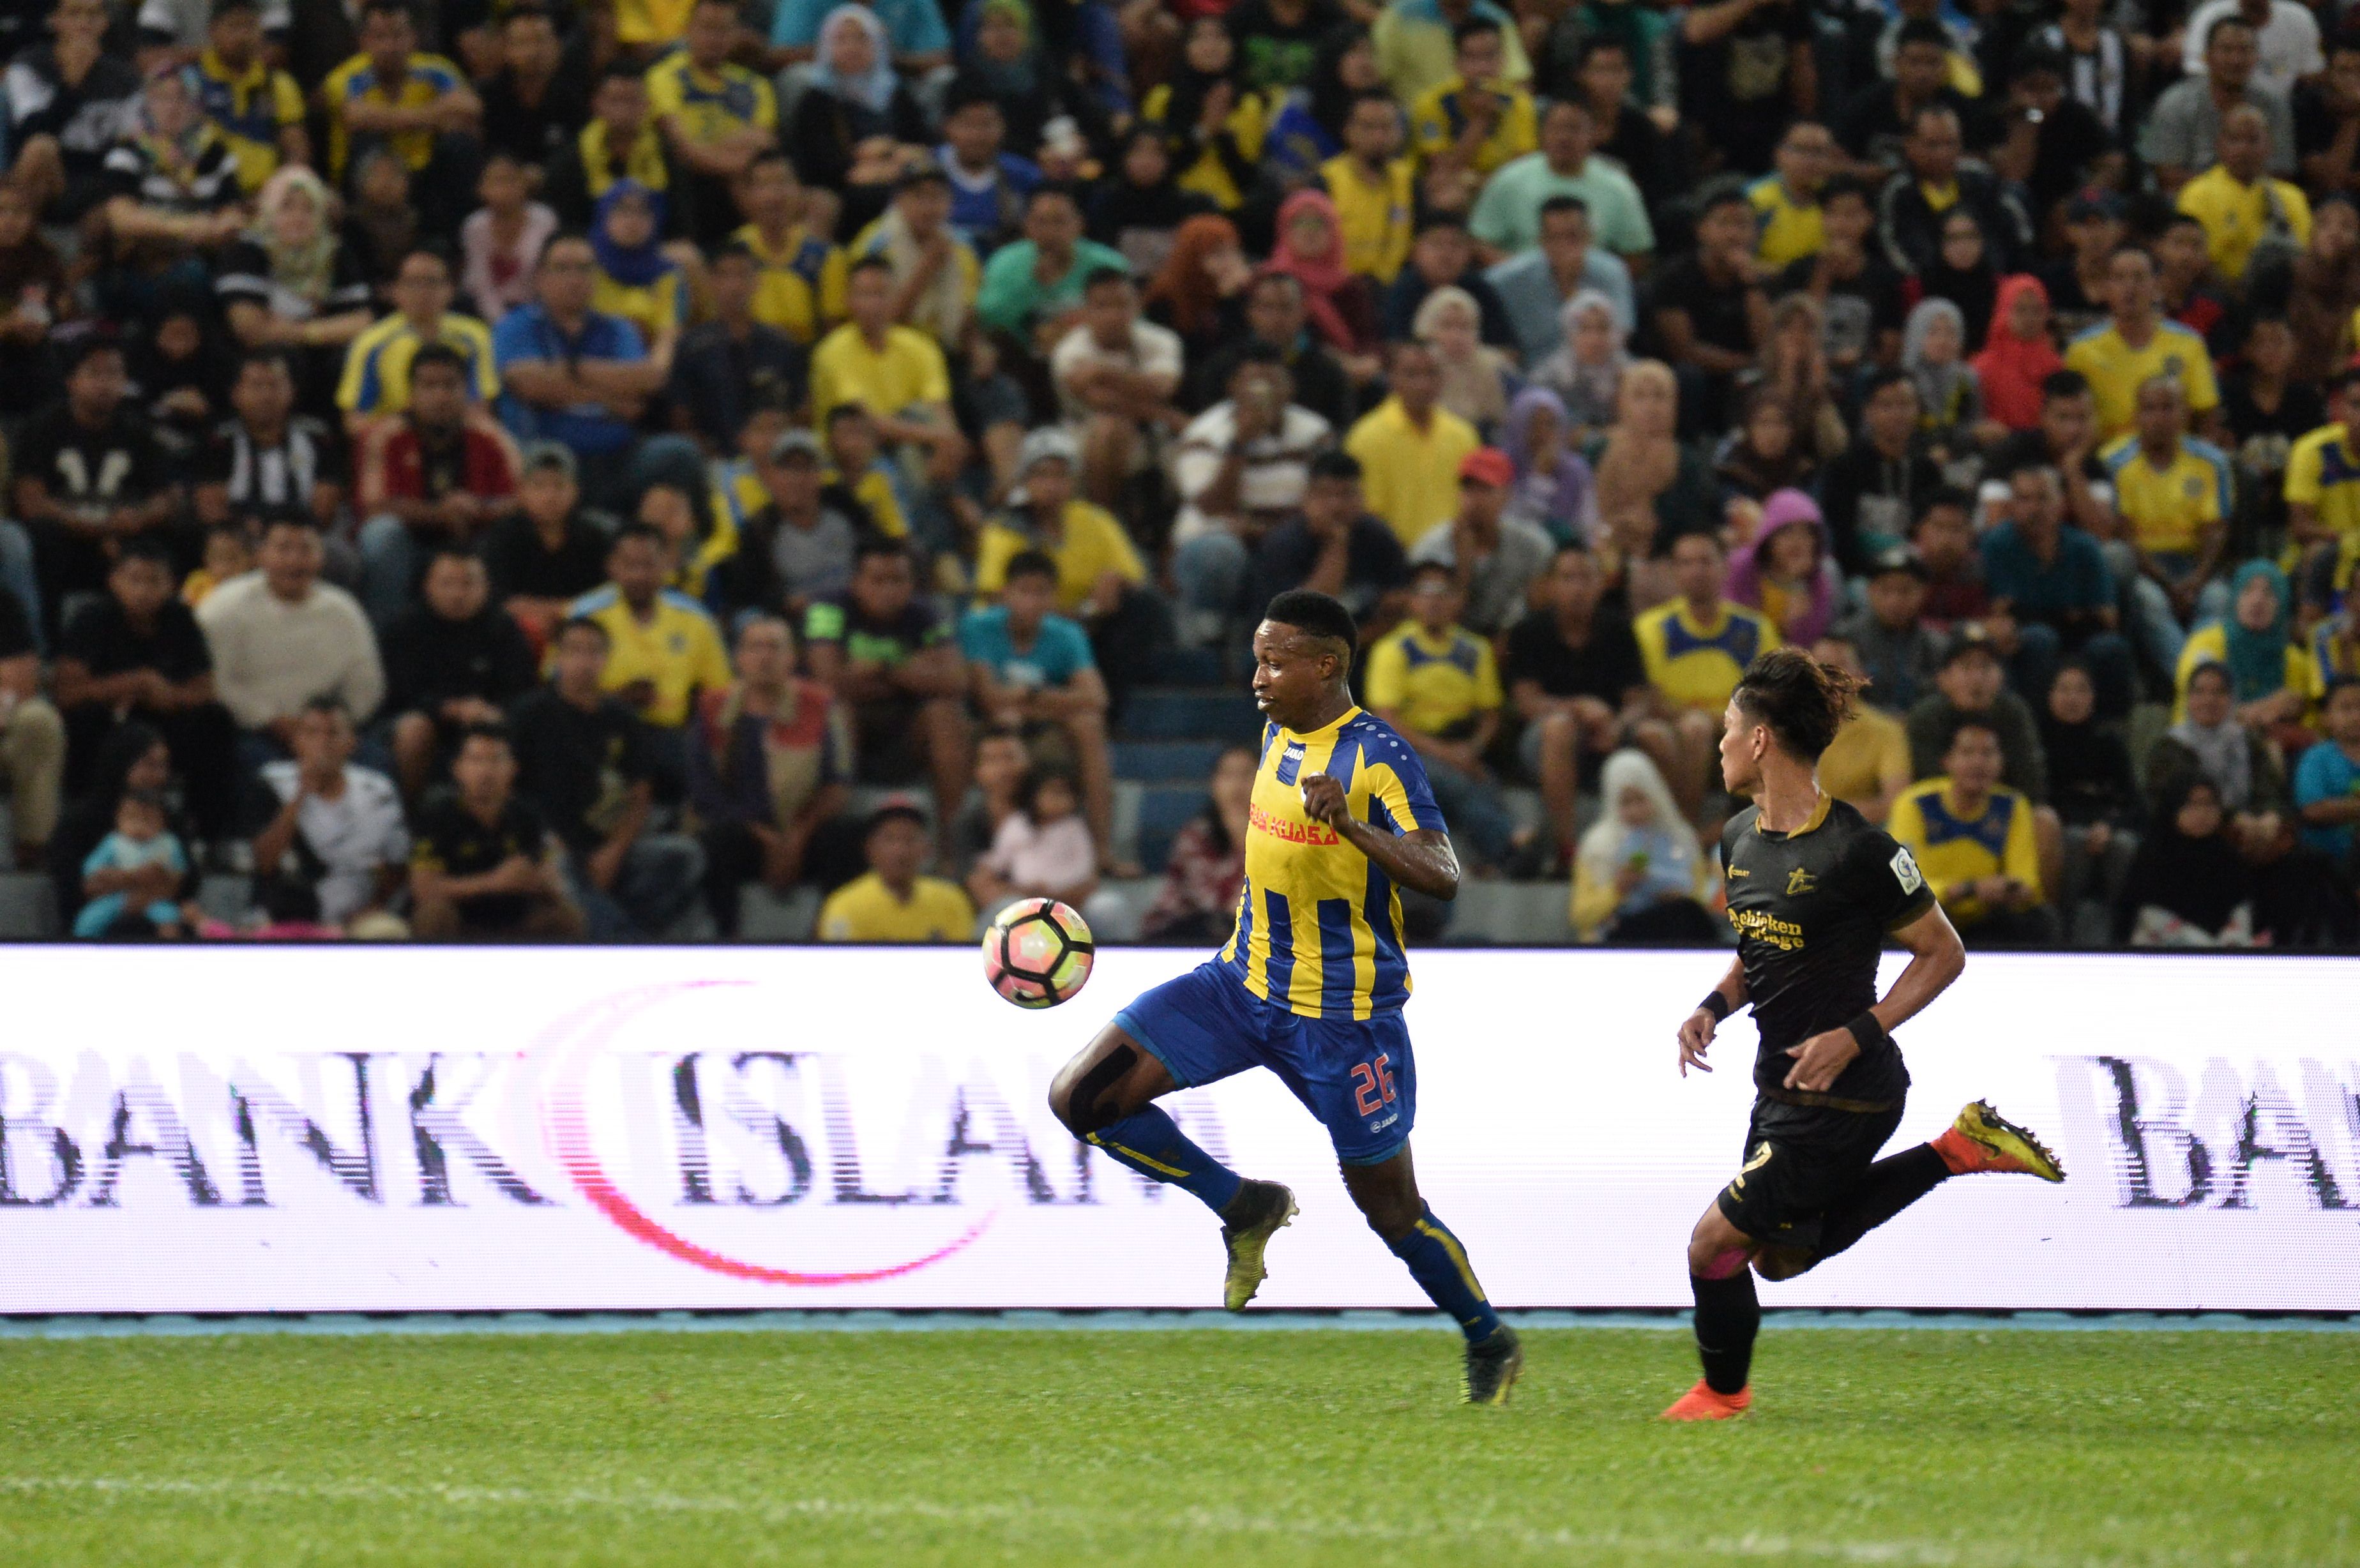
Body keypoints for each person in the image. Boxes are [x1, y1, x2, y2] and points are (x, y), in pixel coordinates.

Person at [1045, 589, 1523, 1404]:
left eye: (1275, 661)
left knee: (1392, 1210)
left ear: (1327, 666)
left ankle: (1489, 1337)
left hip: (1344, 1021)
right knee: (1081, 1097)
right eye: (1257, 659)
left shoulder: (1379, 755)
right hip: (1238, 985)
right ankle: (1244, 1205)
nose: (1257, 677)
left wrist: (1354, 828)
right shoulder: (1276, 731)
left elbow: (1444, 874)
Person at [1663, 649, 2064, 1420]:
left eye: (1729, 727)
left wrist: (1855, 1033)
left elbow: (1944, 953)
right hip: (1782, 1086)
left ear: (1760, 741)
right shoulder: (1738, 838)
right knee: (1778, 1259)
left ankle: (1722, 1394)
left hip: (1849, 1091)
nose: (1719, 742)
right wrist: (1712, 1005)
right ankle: (1958, 1148)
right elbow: (1760, 947)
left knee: (1713, 1244)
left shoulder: (1861, 849)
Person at [508, 615, 706, 939]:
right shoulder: (529, 713)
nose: (584, 661)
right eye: (574, 651)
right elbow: (509, 791)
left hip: (606, 845)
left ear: (606, 659)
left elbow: (641, 794)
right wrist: (548, 842)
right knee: (563, 870)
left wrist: (614, 851)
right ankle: (625, 941)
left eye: (593, 652)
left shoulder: (623, 718)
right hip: (549, 848)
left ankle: (619, 926)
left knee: (686, 856)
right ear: (558, 657)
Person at [686, 615, 854, 936]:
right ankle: (726, 940)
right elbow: (704, 792)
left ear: (792, 658)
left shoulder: (820, 705)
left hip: (801, 830)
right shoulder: (712, 708)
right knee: (716, 842)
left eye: (775, 648)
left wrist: (796, 837)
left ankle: (832, 939)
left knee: (844, 838)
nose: (765, 657)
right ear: (739, 658)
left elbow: (837, 784)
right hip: (743, 832)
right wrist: (766, 838)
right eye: (755, 648)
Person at [803, 536, 972, 848]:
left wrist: (882, 668)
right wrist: (913, 672)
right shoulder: (826, 608)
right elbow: (827, 681)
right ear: (856, 582)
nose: (889, 590)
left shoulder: (927, 612)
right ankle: (827, 836)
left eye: (898, 580)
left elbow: (956, 682)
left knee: (945, 713)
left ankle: (953, 841)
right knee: (838, 709)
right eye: (878, 581)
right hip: (852, 722)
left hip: (907, 726)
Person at [14, 337, 178, 633]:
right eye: (94, 373)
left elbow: (165, 497)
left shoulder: (139, 432)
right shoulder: (40, 429)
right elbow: (32, 502)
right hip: (67, 535)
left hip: (125, 534)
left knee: (173, 537)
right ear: (71, 381)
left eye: (114, 373)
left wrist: (139, 518)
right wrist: (98, 529)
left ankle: (164, 638)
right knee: (42, 536)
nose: (105, 383)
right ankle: (46, 642)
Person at [493, 233, 667, 508]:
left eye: (585, 269)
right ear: (540, 277)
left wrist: (570, 370)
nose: (575, 279)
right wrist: (609, 397)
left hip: (618, 454)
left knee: (676, 454)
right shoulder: (516, 326)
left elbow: (645, 381)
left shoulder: (618, 328)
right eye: (562, 268)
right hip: (546, 455)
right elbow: (528, 383)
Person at [354, 344, 521, 629]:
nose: (441, 396)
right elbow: (374, 507)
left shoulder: (492, 435)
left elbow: (521, 501)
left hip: (473, 541)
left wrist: (479, 508)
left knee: (513, 532)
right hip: (410, 544)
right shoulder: (383, 436)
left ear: (467, 391)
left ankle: (498, 632)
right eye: (429, 386)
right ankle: (387, 634)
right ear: (411, 393)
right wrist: (442, 514)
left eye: (450, 385)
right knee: (381, 534)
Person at [197, 518, 385, 769]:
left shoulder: (344, 610)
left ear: (321, 556)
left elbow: (366, 684)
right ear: (261, 554)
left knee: (376, 762)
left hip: (330, 732)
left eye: (306, 549)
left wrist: (326, 729)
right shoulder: (224, 607)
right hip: (253, 732)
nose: (295, 561)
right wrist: (271, 721)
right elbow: (214, 682)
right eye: (284, 549)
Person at [1363, 562, 1517, 870]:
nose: (1435, 601)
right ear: (1412, 601)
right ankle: (1509, 845)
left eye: (1444, 593)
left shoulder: (1476, 649)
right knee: (1455, 781)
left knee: (1477, 780)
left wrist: (1472, 749)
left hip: (1463, 743)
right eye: (1426, 593)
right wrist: (1451, 755)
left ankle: (1498, 854)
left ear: (1458, 601)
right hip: (1410, 749)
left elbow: (1491, 713)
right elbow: (1388, 720)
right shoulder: (1392, 649)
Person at [1504, 544, 1653, 860]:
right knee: (1560, 729)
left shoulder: (1619, 629)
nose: (1577, 588)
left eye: (1586, 578)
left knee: (1657, 736)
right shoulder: (1528, 631)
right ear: (1550, 585)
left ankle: (1677, 842)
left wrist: (1617, 725)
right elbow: (1526, 703)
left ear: (1602, 583)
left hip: (1608, 733)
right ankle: (1566, 850)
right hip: (1543, 739)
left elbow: (1638, 700)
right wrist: (1579, 709)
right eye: (1568, 578)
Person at [380, 545, 536, 800]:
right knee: (414, 729)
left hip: (488, 723)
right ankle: (407, 813)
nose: (458, 594)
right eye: (447, 583)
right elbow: (399, 693)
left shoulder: (503, 627)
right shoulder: (404, 627)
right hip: (422, 722)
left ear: (486, 586)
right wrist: (451, 709)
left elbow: (521, 688)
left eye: (468, 584)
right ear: (427, 586)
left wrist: (493, 712)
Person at [1891, 716, 2058, 951]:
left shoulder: (2011, 805)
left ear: (2002, 762)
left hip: (1987, 916)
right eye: (1968, 753)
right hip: (1931, 917)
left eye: (1988, 753)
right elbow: (1905, 885)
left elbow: (2027, 881)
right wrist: (1965, 890)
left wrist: (2010, 889)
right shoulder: (1915, 804)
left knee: (2041, 920)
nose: (1979, 763)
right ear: (1947, 760)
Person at [407, 721, 586, 938]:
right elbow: (424, 889)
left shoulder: (527, 817)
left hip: (516, 920)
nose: (486, 772)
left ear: (514, 768)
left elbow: (555, 879)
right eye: (476, 760)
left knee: (566, 917)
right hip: (461, 921)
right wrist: (493, 882)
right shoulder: (436, 817)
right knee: (434, 915)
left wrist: (540, 881)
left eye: (497, 760)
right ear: (457, 769)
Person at [250, 696, 410, 931]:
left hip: (360, 916)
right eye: (312, 733)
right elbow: (264, 863)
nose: (323, 743)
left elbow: (398, 865)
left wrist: (373, 907)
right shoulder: (271, 783)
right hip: (285, 914)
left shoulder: (379, 790)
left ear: (352, 742)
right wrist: (300, 795)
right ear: (296, 741)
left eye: (333, 733)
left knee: (385, 930)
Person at [810, 255, 968, 486]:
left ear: (895, 298)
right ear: (849, 300)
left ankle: (948, 495)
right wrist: (940, 437)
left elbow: (941, 412)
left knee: (921, 422)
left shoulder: (921, 347)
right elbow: (869, 422)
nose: (872, 305)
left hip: (911, 442)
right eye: (864, 295)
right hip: (851, 455)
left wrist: (947, 442)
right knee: (909, 448)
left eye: (881, 294)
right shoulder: (833, 351)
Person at [566, 523, 733, 737]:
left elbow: (718, 692)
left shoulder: (696, 619)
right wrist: (616, 701)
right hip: (596, 731)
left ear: (666, 565)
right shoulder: (584, 615)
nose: (639, 575)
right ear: (611, 566)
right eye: (629, 565)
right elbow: (558, 688)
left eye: (648, 565)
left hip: (672, 735)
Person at [646, 0, 781, 247]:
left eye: (724, 30)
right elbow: (682, 147)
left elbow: (763, 145)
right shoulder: (664, 76)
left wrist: (716, 150)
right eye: (707, 28)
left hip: (741, 181)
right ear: (688, 30)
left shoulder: (756, 86)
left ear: (735, 35)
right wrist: (734, 159)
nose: (714, 38)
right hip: (688, 182)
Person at [1051, 266, 1185, 508]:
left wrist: (1102, 372)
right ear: (1086, 311)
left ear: (1137, 307)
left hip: (1156, 431)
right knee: (1109, 428)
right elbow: (1100, 402)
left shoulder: (1162, 340)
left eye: (1122, 305)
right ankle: (1103, 515)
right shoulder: (1070, 350)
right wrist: (1167, 415)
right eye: (1102, 306)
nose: (1114, 316)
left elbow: (1163, 388)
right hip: (1083, 429)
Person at [2064, 246, 2224, 444]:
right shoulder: (2081, 350)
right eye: (2120, 278)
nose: (2130, 287)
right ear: (2106, 288)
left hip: (2174, 456)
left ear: (2156, 287)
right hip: (2107, 458)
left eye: (2139, 278)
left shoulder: (2189, 343)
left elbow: (2207, 417)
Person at [335, 248, 501, 435]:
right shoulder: (371, 343)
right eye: (413, 283)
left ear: (450, 289)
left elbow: (481, 409)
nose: (423, 292)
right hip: (395, 439)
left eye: (432, 282)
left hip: (457, 437)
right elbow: (354, 421)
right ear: (395, 291)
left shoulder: (476, 336)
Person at [1467, 97, 1649, 264]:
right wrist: (1523, 275)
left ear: (1594, 134)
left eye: (1574, 129)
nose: (1564, 138)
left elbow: (1636, 254)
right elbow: (1480, 242)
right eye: (1557, 128)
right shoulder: (1509, 179)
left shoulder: (1618, 186)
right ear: (1542, 133)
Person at [669, 241, 808, 453]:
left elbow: (801, 412)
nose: (734, 286)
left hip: (775, 456)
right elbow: (682, 417)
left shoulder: (782, 345)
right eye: (724, 276)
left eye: (743, 275)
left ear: (757, 282)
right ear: (711, 282)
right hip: (713, 459)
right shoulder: (691, 348)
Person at [1570, 747, 1715, 942]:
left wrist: (1677, 895)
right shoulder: (1596, 847)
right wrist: (1618, 889)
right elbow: (1581, 917)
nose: (1635, 811)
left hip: (1676, 925)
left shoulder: (1680, 837)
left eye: (1641, 800)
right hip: (1619, 934)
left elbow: (1703, 901)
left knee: (1683, 913)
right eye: (1625, 803)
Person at [1343, 340, 1479, 549]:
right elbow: (1366, 514)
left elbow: (1473, 504)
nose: (1423, 384)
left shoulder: (1463, 435)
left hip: (1453, 554)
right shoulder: (1367, 438)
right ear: (1391, 378)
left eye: (1432, 373)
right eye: (1412, 374)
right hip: (1392, 558)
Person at [1407, 447, 1553, 638]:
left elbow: (1538, 609)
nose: (1475, 499)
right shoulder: (1431, 548)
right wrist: (1464, 567)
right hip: (1449, 645)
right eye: (1468, 489)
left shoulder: (1532, 546)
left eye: (1485, 489)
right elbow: (1430, 621)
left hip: (1511, 642)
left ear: (1507, 495)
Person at [1250, 450, 1410, 625]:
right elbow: (1303, 617)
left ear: (1361, 497)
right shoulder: (1283, 544)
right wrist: (1336, 543)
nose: (1336, 505)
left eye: (1346, 494)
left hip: (1365, 637)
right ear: (1307, 497)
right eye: (1326, 494)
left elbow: (1400, 602)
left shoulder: (1378, 536)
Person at [2142, 15, 2297, 192]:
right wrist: (2224, 193)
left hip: (2258, 200)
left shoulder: (2274, 104)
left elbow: (2282, 173)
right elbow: (2167, 176)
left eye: (2244, 50)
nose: (2236, 60)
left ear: (2257, 57)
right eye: (2226, 50)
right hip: (2191, 202)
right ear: (2207, 56)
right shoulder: (2176, 103)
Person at [485, 445, 614, 647]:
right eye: (539, 486)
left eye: (559, 486)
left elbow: (607, 597)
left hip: (587, 633)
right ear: (521, 492)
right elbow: (498, 599)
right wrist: (562, 610)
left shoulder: (595, 538)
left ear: (576, 491)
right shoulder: (502, 536)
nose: (550, 496)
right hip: (519, 634)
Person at [1486, 195, 1633, 372]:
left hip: (1601, 373)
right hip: (1531, 377)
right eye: (1555, 238)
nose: (1565, 246)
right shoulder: (1508, 279)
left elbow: (1621, 334)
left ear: (1589, 237)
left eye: (1572, 237)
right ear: (1541, 240)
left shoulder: (1612, 272)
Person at [2177, 103, 2313, 288]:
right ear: (2219, 145)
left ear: (2269, 146)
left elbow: (2304, 255)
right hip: (2217, 292)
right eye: (2234, 140)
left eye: (2253, 140)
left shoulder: (2292, 196)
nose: (2243, 149)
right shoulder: (2196, 194)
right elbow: (2192, 259)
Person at [2115, 776, 2261, 945]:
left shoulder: (2228, 856)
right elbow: (2143, 914)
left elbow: (2241, 907)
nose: (2203, 813)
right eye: (2193, 804)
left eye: (2210, 804)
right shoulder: (2154, 855)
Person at [1138, 741, 1253, 941]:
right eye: (1228, 775)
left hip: (1245, 933)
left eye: (1246, 775)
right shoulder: (1196, 837)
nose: (1237, 785)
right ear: (1214, 783)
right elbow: (1210, 902)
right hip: (1185, 931)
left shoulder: (1276, 837)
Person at [816, 799, 976, 939]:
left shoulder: (952, 900)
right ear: (870, 849)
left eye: (910, 839)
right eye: (889, 839)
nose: (900, 851)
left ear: (927, 849)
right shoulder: (845, 905)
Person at [1405, 16, 1536, 183]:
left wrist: (1479, 182)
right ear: (1457, 62)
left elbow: (1522, 169)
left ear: (1503, 60)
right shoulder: (1431, 104)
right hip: (1445, 189)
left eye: (1489, 56)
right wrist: (1481, 120)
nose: (1482, 68)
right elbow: (1443, 173)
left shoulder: (1520, 103)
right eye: (1472, 58)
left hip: (1499, 187)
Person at [1725, 489, 1840, 649]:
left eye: (1807, 534)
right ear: (1769, 535)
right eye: (1787, 532)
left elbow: (1805, 648)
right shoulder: (1742, 567)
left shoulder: (1819, 583)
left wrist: (1796, 588)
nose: (1797, 542)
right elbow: (1732, 630)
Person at [73, 790, 192, 939]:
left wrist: (163, 877)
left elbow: (179, 873)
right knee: (89, 919)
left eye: (148, 820)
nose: (139, 826)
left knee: (170, 918)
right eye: (132, 818)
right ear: (118, 819)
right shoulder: (113, 842)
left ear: (162, 821)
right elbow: (92, 870)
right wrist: (126, 877)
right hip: (116, 897)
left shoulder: (168, 843)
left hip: (155, 898)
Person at [2294, 679, 2360, 867]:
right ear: (2325, 717)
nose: (2356, 716)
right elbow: (2313, 809)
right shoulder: (2316, 758)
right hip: (2328, 865)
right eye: (2346, 709)